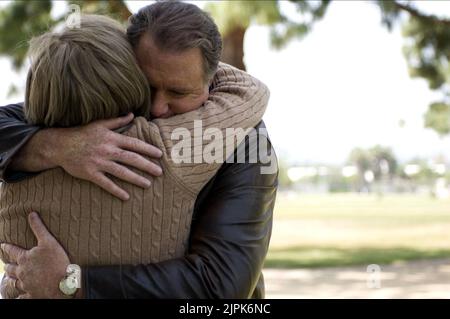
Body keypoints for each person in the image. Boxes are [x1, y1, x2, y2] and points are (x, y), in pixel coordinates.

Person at [0, 1, 278, 299]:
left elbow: (220, 287)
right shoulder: (91, 117)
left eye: (179, 92)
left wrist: (73, 283)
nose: (157, 108)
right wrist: (58, 146)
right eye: (147, 86)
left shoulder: (245, 142)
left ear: (211, 83)